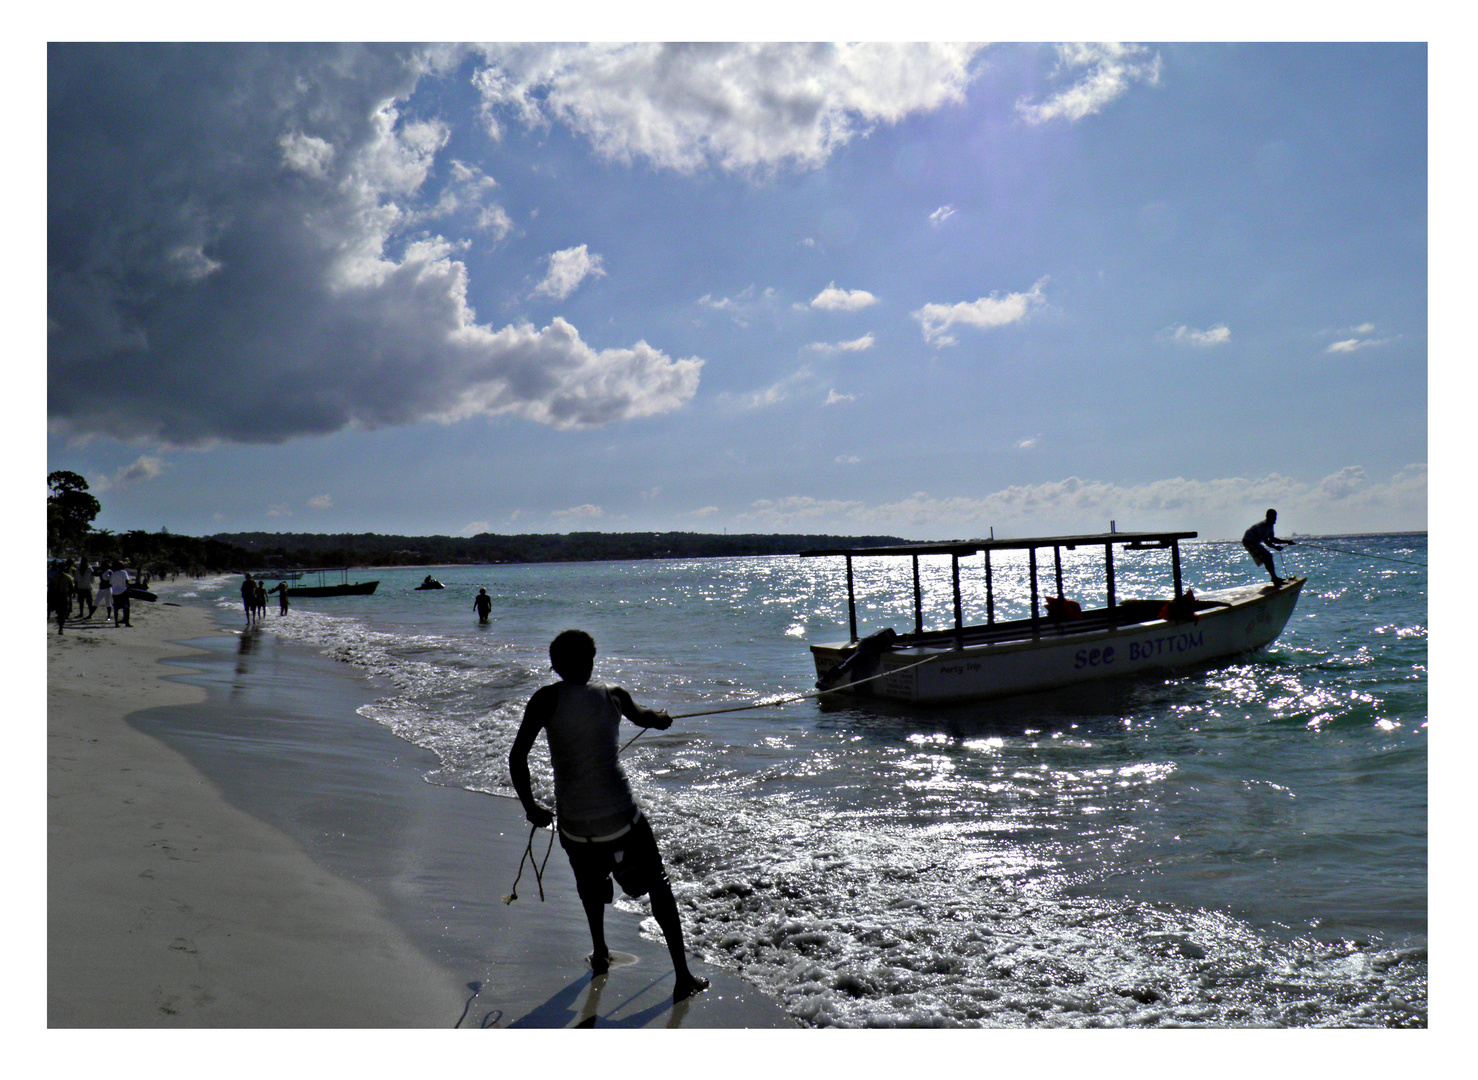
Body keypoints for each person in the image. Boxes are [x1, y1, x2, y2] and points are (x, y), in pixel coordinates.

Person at [509, 630, 710, 1002]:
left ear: (553, 666)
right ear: (592, 660)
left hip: (574, 825)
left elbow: (517, 756)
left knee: (588, 883)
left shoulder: (544, 699)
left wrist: (530, 807)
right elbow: (648, 717)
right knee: (659, 885)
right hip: (621, 819)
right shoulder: (613, 695)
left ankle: (600, 951)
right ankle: (683, 976)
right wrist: (663, 718)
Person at [1242, 508, 1292, 586]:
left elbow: (1272, 539)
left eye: (1275, 517)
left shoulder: (1270, 526)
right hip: (1248, 541)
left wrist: (1287, 542)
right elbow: (1267, 542)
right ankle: (1274, 578)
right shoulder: (1263, 526)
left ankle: (1274, 577)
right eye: (1272, 517)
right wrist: (1276, 547)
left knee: (1268, 556)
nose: (1274, 519)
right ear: (1267, 517)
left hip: (1255, 542)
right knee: (1267, 557)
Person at [49, 561, 75, 634]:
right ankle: (60, 627)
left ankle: (60, 627)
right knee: (61, 613)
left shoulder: (57, 577)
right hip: (59, 596)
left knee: (61, 613)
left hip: (61, 596)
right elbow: (72, 589)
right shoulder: (65, 577)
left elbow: (71, 589)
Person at [109, 560, 131, 627]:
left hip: (115, 592)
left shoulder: (113, 574)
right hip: (123, 591)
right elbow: (126, 581)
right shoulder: (124, 572)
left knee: (116, 608)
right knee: (126, 607)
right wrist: (128, 588)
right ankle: (126, 622)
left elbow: (110, 583)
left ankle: (116, 623)